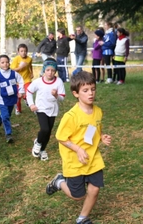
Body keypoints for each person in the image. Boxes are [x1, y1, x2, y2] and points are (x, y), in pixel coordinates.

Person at [45, 71, 112, 224]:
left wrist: (102, 137)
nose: (91, 94)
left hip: (92, 157)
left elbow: (95, 126)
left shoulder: (98, 111)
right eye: (85, 90)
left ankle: (82, 218)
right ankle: (59, 182)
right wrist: (78, 149)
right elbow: (60, 137)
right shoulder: (71, 116)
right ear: (76, 93)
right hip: (74, 160)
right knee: (78, 196)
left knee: (94, 189)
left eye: (93, 89)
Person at [26, 58, 65, 161]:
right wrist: (31, 104)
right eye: (48, 70)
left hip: (52, 110)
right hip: (40, 109)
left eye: (52, 70)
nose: (50, 73)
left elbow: (62, 98)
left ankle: (42, 150)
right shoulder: (38, 82)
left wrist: (56, 95)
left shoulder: (59, 82)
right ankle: (38, 142)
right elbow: (29, 92)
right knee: (45, 129)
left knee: (48, 132)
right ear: (44, 70)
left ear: (55, 71)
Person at [0, 54, 25, 143]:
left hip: (12, 98)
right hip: (2, 99)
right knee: (6, 116)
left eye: (7, 62)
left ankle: (0, 118)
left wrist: (21, 91)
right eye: (2, 62)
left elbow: (21, 80)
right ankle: (8, 134)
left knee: (7, 115)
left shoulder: (14, 73)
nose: (5, 64)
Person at [10, 43, 33, 115]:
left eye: (25, 51)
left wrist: (31, 72)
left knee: (28, 92)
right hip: (17, 81)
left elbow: (30, 66)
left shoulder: (29, 59)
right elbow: (12, 70)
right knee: (18, 96)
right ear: (18, 52)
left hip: (26, 79)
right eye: (22, 51)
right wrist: (20, 67)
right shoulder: (16, 59)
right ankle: (18, 109)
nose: (23, 52)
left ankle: (26, 99)